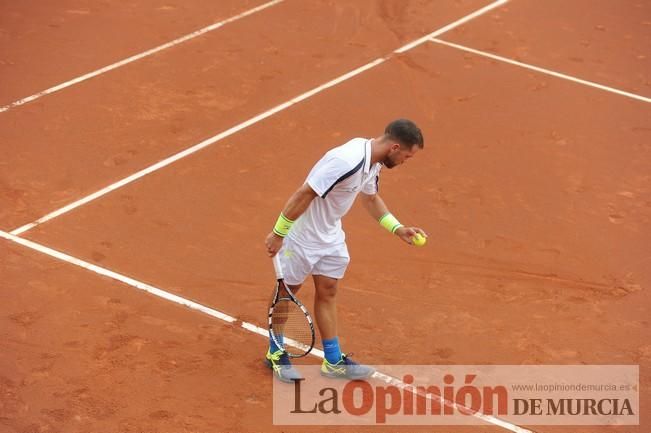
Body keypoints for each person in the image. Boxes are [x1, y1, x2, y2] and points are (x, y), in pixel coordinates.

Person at [264, 119, 427, 382]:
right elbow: (305, 193)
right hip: (301, 238)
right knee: (287, 293)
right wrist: (278, 233)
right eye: (406, 156)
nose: (405, 161)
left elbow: (371, 198)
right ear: (395, 147)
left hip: (330, 237)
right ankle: (275, 351)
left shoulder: (373, 162)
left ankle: (333, 360)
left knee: (328, 290)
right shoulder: (345, 160)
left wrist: (397, 228)